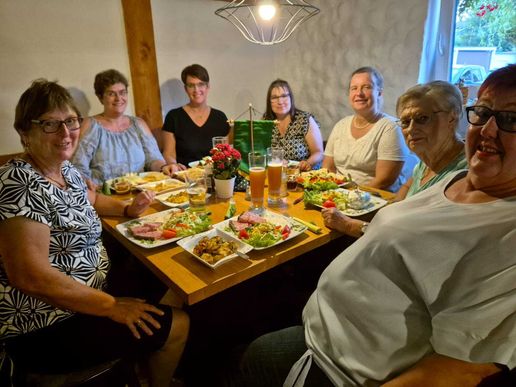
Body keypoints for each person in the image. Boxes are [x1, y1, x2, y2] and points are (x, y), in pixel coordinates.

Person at [225, 64, 516, 386]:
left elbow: (462, 368)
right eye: (484, 112)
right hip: (326, 333)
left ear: (452, 117)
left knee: (253, 353)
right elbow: (397, 215)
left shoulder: (506, 230)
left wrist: (351, 226)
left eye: (512, 119)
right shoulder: (457, 177)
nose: (488, 130)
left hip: (343, 370)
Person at [0, 79, 189, 387]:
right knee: (179, 323)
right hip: (47, 322)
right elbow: (30, 276)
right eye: (49, 124)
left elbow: (94, 199)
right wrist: (112, 306)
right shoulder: (19, 181)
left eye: (70, 121)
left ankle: (144, 359)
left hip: (92, 290)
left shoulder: (66, 172)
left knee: (173, 279)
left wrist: (128, 209)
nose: (65, 133)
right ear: (25, 132)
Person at [323, 81, 467, 237]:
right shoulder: (425, 164)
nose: (411, 128)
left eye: (422, 118)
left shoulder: (465, 172)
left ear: (452, 117)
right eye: (405, 122)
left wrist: (350, 225)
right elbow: (401, 199)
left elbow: (421, 238)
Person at [72, 69, 173, 188]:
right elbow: (78, 167)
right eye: (111, 93)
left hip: (141, 191)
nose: (118, 98)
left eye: (122, 92)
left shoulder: (138, 124)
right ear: (100, 97)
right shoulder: (90, 125)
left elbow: (153, 159)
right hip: (104, 195)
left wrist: (164, 167)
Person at [322, 66, 412, 192]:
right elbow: (327, 169)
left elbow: (383, 181)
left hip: (374, 200)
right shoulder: (340, 125)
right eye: (354, 88)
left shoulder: (390, 128)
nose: (359, 93)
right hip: (338, 196)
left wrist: (351, 197)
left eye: (367, 87)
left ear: (379, 92)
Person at [162, 64, 231, 168]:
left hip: (216, 176)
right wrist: (173, 165)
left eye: (201, 84)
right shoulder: (173, 117)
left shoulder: (220, 117)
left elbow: (226, 151)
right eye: (191, 85)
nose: (196, 90)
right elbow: (169, 154)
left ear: (207, 87)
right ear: (185, 89)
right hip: (186, 176)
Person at [263, 79, 324, 171]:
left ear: (291, 98)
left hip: (305, 176)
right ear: (269, 101)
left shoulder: (305, 119)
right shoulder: (265, 122)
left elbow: (319, 153)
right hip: (277, 174)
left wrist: (307, 163)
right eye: (274, 97)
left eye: (284, 96)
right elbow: (260, 151)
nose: (280, 101)